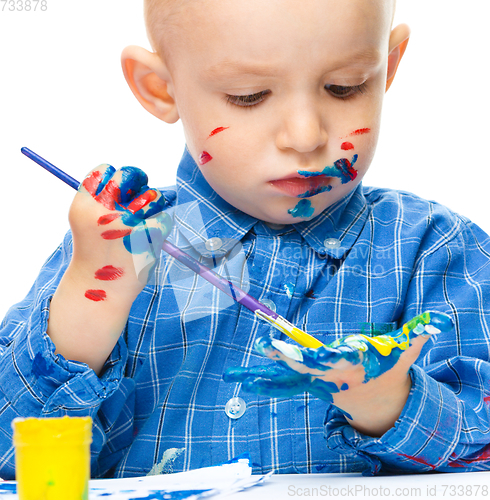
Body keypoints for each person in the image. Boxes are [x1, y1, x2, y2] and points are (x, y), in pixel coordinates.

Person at [1, 0, 490, 479]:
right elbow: (11, 458)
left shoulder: (436, 250)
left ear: (388, 66)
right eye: (249, 95)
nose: (304, 135)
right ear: (161, 89)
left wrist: (387, 401)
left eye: (345, 87)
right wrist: (92, 304)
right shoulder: (113, 250)